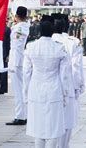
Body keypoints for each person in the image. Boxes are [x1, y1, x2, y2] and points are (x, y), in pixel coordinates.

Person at [23, 18, 69, 148]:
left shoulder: (31, 47)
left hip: (35, 89)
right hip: (54, 89)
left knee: (38, 129)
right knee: (53, 128)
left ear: (39, 31)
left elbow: (26, 73)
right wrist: (65, 93)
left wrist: (25, 93)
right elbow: (64, 75)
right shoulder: (59, 48)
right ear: (52, 31)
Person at [52, 14, 85, 148]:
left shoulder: (44, 43)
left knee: (52, 124)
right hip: (69, 87)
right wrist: (78, 87)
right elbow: (76, 68)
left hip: (51, 88)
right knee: (67, 124)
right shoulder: (73, 42)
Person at [6, 6, 30, 126]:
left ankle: (20, 116)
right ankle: (22, 114)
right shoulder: (21, 27)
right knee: (20, 89)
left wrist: (12, 63)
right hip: (18, 61)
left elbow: (15, 47)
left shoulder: (20, 28)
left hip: (17, 62)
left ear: (16, 16)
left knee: (18, 90)